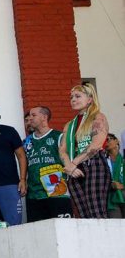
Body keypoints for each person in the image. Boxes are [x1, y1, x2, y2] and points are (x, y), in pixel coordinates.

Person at [59, 83, 111, 218]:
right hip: (73, 169)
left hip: (94, 164)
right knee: (83, 213)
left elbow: (96, 145)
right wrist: (69, 166)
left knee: (96, 209)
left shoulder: (98, 117)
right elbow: (62, 149)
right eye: (71, 97)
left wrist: (73, 163)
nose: (73, 100)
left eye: (77, 96)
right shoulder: (70, 124)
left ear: (90, 99)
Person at [24, 107, 72, 222]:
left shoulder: (58, 136)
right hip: (34, 194)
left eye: (33, 115)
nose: (30, 118)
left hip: (58, 192)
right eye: (29, 115)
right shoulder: (26, 141)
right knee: (37, 232)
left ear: (44, 117)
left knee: (64, 229)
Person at [106, 134, 125, 218]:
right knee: (116, 226)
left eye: (109, 139)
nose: (106, 142)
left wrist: (122, 186)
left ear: (116, 140)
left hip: (123, 193)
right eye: (104, 141)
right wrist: (111, 184)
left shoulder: (123, 158)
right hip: (111, 198)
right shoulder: (103, 161)